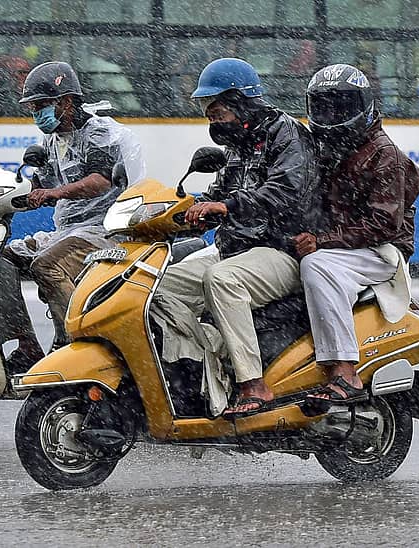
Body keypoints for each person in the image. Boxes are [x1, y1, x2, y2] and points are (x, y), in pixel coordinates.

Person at [156, 58, 322, 418]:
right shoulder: (239, 144)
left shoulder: (287, 134)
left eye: (217, 113)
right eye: (209, 115)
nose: (213, 123)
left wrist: (226, 207)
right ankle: (201, 365)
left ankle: (253, 384)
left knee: (222, 280)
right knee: (154, 287)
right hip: (235, 248)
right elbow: (219, 191)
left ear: (241, 102)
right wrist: (182, 213)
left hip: (281, 250)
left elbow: (285, 192)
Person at [290, 64, 419, 414]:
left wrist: (323, 241)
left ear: (361, 106)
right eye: (323, 107)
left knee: (317, 266)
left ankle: (344, 371)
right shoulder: (327, 148)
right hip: (344, 244)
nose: (331, 116)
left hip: (380, 250)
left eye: (340, 106)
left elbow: (383, 224)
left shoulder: (385, 155)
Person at [3, 61, 145, 367]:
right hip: (67, 232)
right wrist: (8, 198)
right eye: (32, 108)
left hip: (105, 231)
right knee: (3, 260)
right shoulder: (52, 141)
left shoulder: (98, 133)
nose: (36, 114)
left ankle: (78, 346)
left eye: (41, 106)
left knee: (46, 265)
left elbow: (100, 181)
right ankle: (27, 344)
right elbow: (39, 186)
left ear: (66, 101)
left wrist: (54, 193)